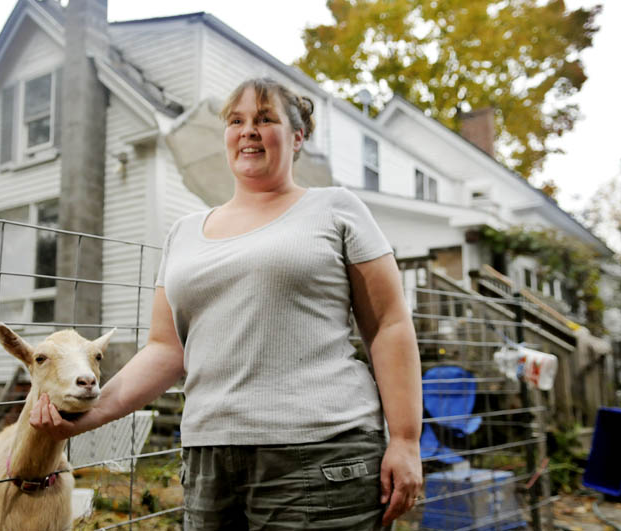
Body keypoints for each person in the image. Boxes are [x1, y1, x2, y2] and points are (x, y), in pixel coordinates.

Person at [30, 77, 423, 530]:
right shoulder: (184, 233)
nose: (248, 130)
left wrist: (406, 440)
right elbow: (165, 349)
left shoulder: (335, 208)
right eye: (237, 121)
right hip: (208, 461)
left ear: (297, 137)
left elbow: (389, 325)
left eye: (265, 118)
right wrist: (83, 417)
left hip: (320, 454)